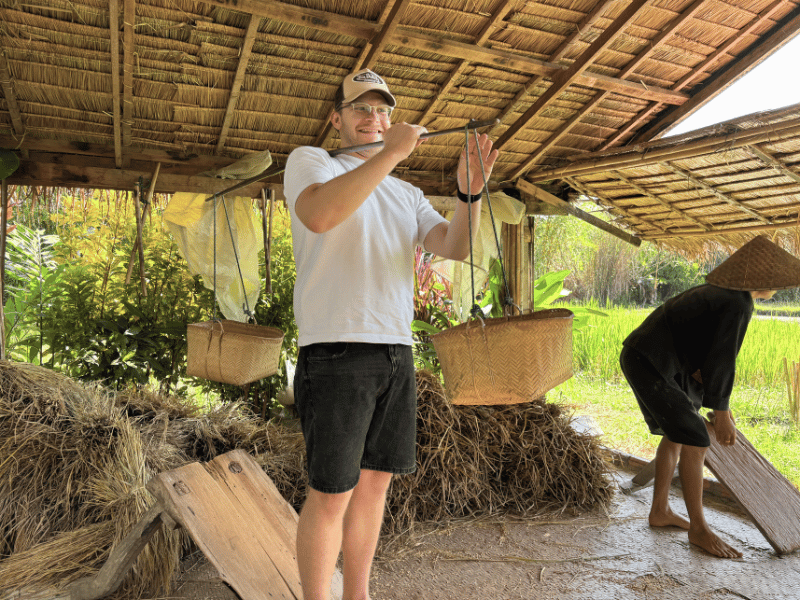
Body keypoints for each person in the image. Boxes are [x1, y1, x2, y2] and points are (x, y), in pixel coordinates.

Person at [283, 68, 499, 600]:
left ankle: (357, 594)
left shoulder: (406, 192)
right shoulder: (311, 162)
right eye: (360, 108)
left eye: (382, 110)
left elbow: (454, 246)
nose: (373, 118)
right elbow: (320, 215)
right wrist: (394, 152)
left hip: (396, 351)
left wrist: (468, 195)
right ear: (336, 118)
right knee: (331, 493)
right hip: (335, 348)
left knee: (374, 486)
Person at [619, 235, 800, 558]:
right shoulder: (737, 303)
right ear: (765, 279)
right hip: (652, 362)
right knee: (696, 438)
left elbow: (707, 355)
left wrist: (719, 406)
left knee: (678, 435)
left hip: (652, 360)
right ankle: (699, 529)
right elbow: (721, 360)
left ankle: (660, 510)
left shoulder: (723, 296)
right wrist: (722, 412)